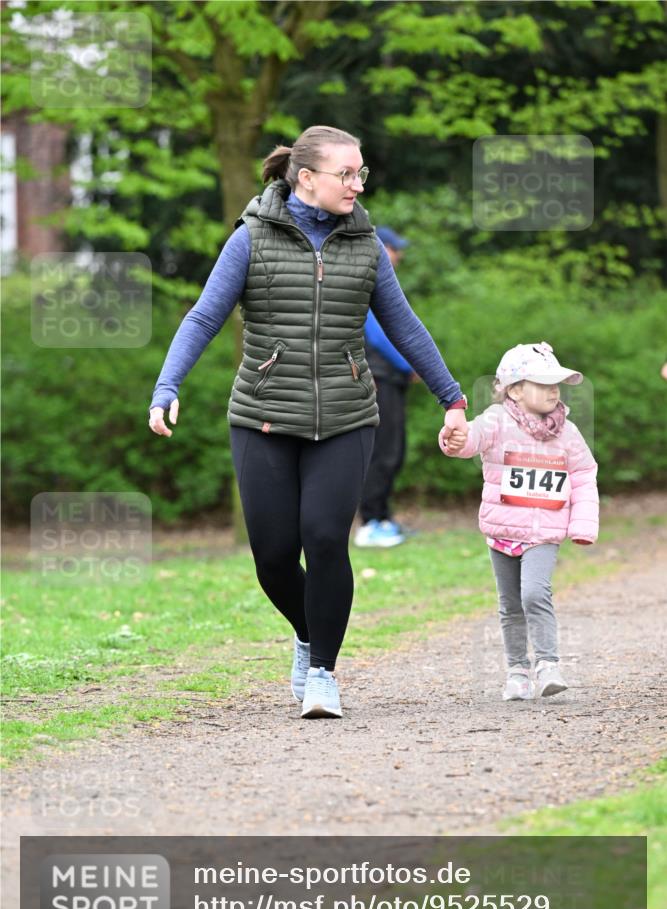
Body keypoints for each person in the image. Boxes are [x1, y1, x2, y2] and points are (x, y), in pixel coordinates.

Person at [149, 125, 468, 720]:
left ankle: (322, 671)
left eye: (361, 173)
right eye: (346, 174)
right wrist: (167, 386)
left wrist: (451, 397)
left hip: (346, 415)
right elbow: (202, 319)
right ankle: (306, 630)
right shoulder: (250, 240)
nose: (357, 184)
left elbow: (405, 326)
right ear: (306, 178)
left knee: (325, 538)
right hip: (263, 415)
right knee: (272, 555)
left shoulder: (367, 246)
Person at [441, 342, 599, 701]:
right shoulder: (497, 420)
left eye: (555, 384)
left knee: (534, 592)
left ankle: (547, 664)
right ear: (514, 389)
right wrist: (455, 438)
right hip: (502, 529)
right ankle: (517, 672)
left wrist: (583, 524)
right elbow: (472, 439)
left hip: (545, 530)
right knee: (510, 604)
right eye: (542, 384)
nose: (553, 390)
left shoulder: (568, 432)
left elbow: (585, 474)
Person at [355, 226, 415, 548]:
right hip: (378, 377)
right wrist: (412, 363)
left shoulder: (383, 284)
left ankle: (384, 518)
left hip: (390, 379)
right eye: (395, 248)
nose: (399, 255)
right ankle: (370, 522)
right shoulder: (370, 282)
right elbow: (379, 336)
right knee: (381, 452)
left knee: (393, 450)